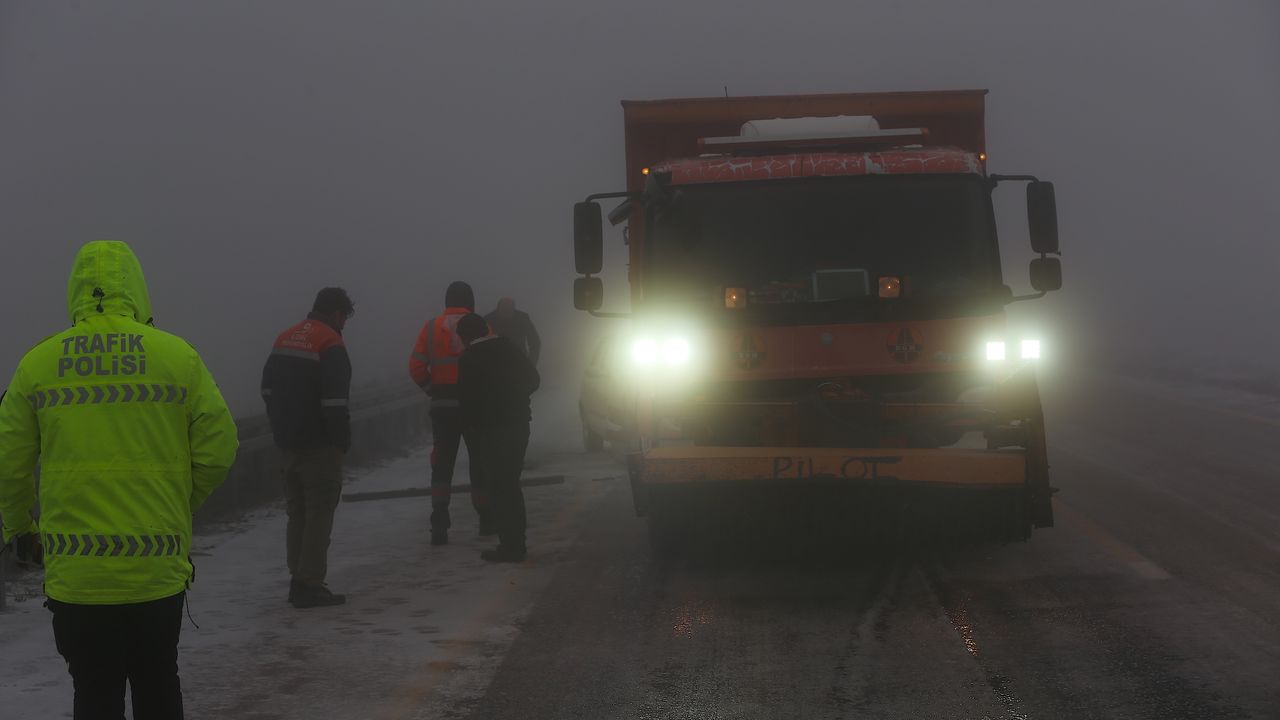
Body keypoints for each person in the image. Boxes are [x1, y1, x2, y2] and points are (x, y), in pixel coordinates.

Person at [0, 240, 239, 719]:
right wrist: (178, 502)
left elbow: (8, 462)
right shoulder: (177, 357)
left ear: (75, 290)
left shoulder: (37, 365)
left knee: (94, 694)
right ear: (137, 288)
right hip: (156, 573)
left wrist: (20, 529)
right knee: (158, 684)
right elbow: (220, 447)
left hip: (78, 580)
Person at [261, 287, 355, 608]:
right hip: (320, 445)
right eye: (344, 317)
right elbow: (336, 402)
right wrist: (341, 441)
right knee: (318, 513)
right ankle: (309, 583)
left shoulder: (285, 338)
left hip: (289, 444)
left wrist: (281, 428)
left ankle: (297, 577)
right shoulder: (330, 343)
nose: (344, 324)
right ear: (337, 314)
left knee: (297, 512)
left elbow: (267, 389)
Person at [410, 281, 491, 545]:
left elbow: (416, 368)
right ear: (470, 300)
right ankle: (486, 519)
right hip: (475, 408)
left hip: (443, 408)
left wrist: (433, 390)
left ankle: (439, 522)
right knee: (479, 462)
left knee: (442, 465)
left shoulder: (431, 327)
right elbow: (495, 363)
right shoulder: (481, 326)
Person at [456, 313, 540, 562]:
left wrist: (471, 425)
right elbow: (534, 380)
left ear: (465, 337)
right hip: (519, 425)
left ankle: (511, 546)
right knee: (511, 483)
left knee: (499, 487)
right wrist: (515, 398)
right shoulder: (509, 348)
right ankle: (516, 542)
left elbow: (467, 401)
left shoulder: (469, 358)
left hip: (491, 430)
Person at [485, 297, 541, 366]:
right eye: (505, 308)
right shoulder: (489, 320)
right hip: (497, 363)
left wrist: (531, 363)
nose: (507, 310)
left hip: (518, 362)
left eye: (509, 308)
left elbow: (534, 341)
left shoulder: (523, 318)